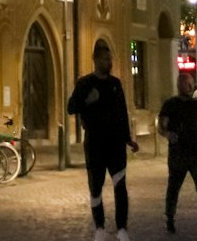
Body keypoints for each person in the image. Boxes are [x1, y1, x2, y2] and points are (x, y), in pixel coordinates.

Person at [68, 38, 140, 241]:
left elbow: (122, 113)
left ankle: (122, 228)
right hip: (95, 144)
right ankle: (99, 227)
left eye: (111, 59)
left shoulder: (115, 84)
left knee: (120, 186)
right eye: (106, 59)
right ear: (96, 60)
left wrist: (129, 139)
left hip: (115, 144)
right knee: (96, 186)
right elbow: (71, 107)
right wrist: (86, 101)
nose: (110, 63)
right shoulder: (85, 83)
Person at [158, 71, 197, 235]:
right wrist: (167, 134)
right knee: (173, 187)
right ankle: (170, 218)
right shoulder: (170, 104)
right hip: (178, 153)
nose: (191, 86)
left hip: (196, 152)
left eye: (192, 83)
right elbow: (161, 126)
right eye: (188, 83)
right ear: (180, 85)